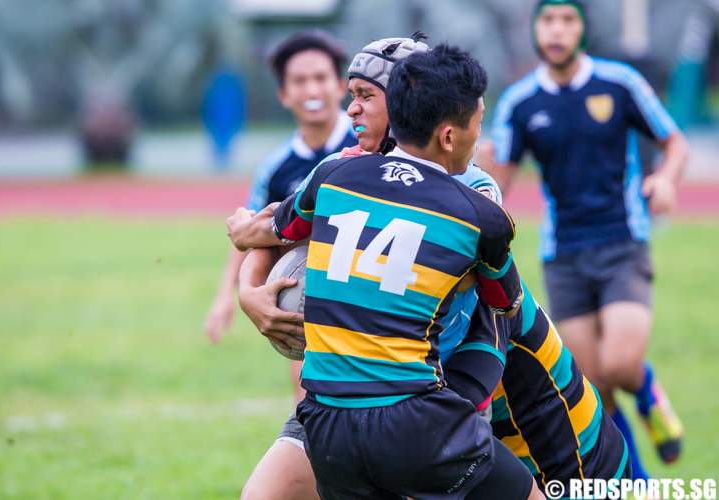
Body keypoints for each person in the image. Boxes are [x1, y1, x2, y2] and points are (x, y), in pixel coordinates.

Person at [240, 34, 627, 500]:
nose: (352, 111)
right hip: (355, 399)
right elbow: (267, 231)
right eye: (352, 96)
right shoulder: (342, 171)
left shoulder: (473, 190)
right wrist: (248, 293)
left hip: (440, 388)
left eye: (366, 96)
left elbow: (495, 317)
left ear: (407, 104)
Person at [483, 0, 690, 479]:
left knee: (620, 363)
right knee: (594, 382)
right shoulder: (521, 102)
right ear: (536, 30)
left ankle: (649, 393)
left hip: (623, 243)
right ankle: (635, 477)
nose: (557, 31)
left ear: (582, 29)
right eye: (548, 21)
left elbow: (673, 142)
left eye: (567, 20)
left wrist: (667, 181)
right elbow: (498, 188)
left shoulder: (619, 84)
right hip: (564, 255)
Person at [203, 31, 356, 401]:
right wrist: (228, 295)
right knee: (306, 392)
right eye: (299, 81)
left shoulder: (367, 146)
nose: (311, 89)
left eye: (320, 77)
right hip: (311, 296)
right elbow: (252, 232)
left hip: (369, 288)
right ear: (284, 95)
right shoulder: (276, 168)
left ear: (340, 86)